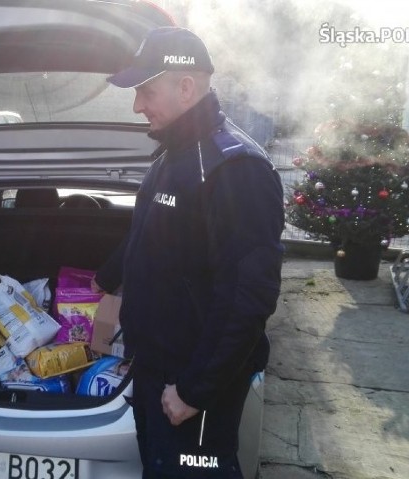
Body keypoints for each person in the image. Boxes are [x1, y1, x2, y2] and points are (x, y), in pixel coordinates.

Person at [91, 27, 285, 478]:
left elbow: (247, 299)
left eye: (146, 91)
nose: (138, 106)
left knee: (196, 471)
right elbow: (156, 233)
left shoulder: (236, 170)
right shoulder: (174, 154)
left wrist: (195, 391)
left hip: (193, 381)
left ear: (185, 86)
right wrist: (107, 275)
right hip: (157, 368)